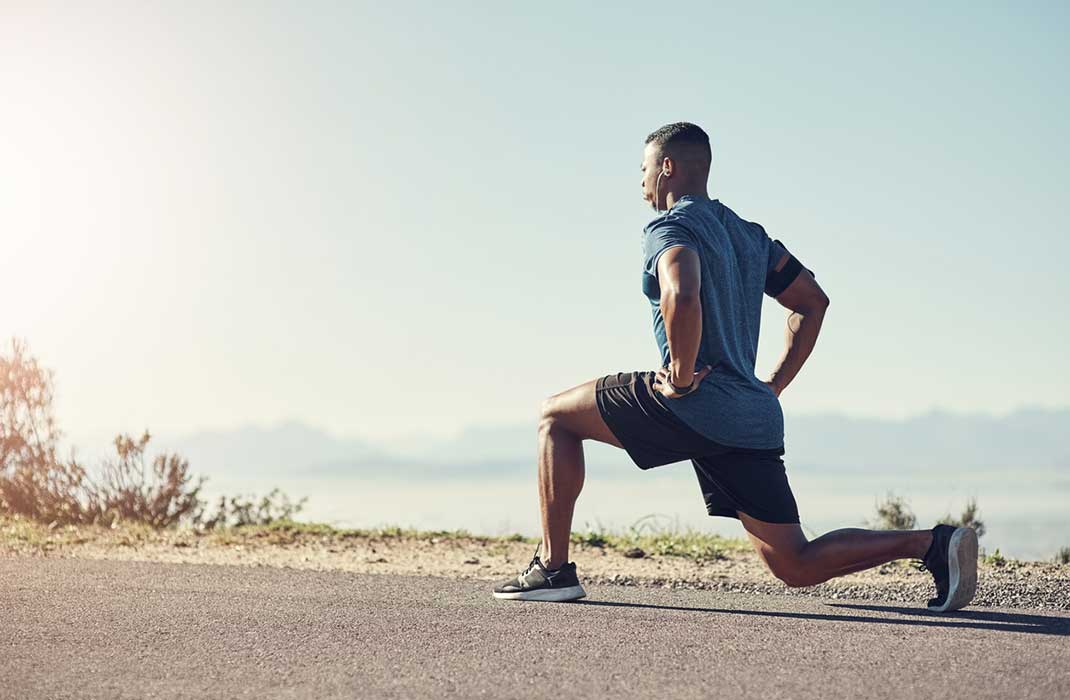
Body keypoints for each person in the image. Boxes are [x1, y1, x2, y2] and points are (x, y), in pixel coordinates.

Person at [492, 122, 977, 613]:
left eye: (642, 171)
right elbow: (813, 302)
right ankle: (933, 545)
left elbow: (681, 291)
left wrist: (680, 377)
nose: (640, 185)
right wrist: (772, 387)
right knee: (795, 564)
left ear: (667, 168)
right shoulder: (749, 236)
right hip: (750, 415)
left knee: (555, 417)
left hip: (691, 401)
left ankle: (553, 569)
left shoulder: (670, 226)